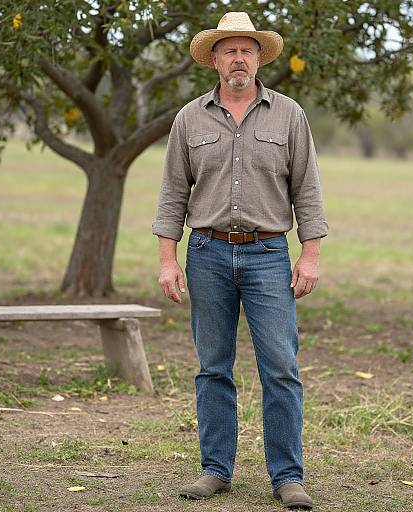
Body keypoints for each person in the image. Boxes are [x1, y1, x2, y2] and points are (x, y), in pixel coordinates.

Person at [152, 11, 328, 510]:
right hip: (206, 252)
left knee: (280, 367)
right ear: (214, 59)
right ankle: (215, 470)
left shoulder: (289, 115)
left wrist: (309, 255)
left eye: (247, 50)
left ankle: (288, 476)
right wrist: (169, 260)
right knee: (212, 367)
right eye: (229, 50)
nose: (238, 59)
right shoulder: (189, 118)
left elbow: (307, 189)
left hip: (269, 255)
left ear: (258, 58)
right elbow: (171, 194)